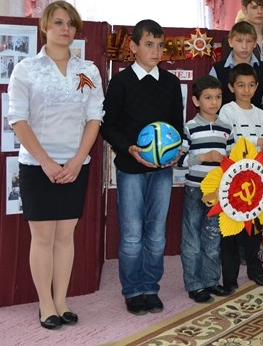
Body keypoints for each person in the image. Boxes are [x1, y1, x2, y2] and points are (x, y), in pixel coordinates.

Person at [7, 0, 104, 329]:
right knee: (43, 237)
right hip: (37, 166)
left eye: (71, 23)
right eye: (59, 22)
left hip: (75, 165)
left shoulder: (86, 71)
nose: (66, 29)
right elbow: (18, 119)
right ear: (45, 26)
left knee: (65, 236)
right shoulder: (27, 69)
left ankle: (61, 301)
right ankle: (45, 304)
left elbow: (94, 117)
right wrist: (46, 162)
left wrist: (77, 160)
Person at [101, 19, 184, 315]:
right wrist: (129, 148)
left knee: (157, 233)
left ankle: (150, 286)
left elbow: (177, 126)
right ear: (133, 47)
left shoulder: (171, 83)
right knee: (133, 233)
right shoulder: (121, 82)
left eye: (160, 45)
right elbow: (108, 126)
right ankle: (133, 289)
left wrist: (176, 151)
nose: (156, 51)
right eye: (149, 44)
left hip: (162, 170)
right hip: (130, 168)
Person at [177, 75, 235, 304]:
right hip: (195, 189)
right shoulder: (190, 128)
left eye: (218, 97)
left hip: (218, 193)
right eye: (208, 97)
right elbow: (179, 161)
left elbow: (231, 159)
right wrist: (203, 157)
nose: (214, 102)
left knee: (213, 237)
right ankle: (194, 284)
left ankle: (211, 280)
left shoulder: (226, 129)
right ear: (195, 100)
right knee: (192, 238)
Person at [218, 63, 263, 288]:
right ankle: (230, 277)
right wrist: (254, 142)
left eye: (251, 85)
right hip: (233, 180)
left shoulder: (262, 114)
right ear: (231, 87)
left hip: (257, 180)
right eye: (241, 85)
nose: (246, 90)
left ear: (257, 86)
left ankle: (254, 269)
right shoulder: (227, 110)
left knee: (254, 229)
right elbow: (228, 143)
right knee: (231, 230)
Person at [210, 21, 263, 108]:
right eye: (239, 41)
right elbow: (212, 102)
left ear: (255, 43)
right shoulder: (218, 70)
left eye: (249, 41)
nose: (244, 46)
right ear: (230, 42)